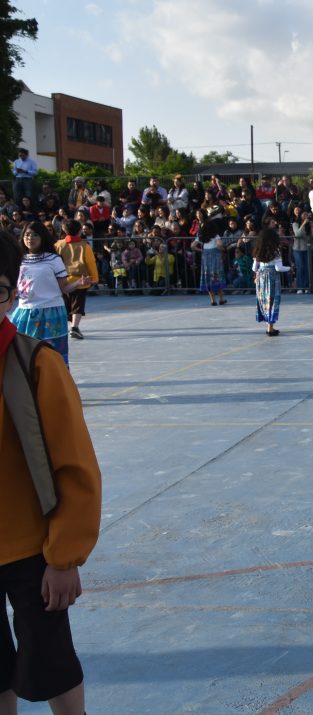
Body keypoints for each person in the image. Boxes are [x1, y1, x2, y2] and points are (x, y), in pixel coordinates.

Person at [0, 231, 102, 715]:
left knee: (53, 663)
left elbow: (75, 466)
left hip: (31, 550)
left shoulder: (36, 364)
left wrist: (63, 557)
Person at [10, 222, 85, 365]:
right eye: (27, 235)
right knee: (23, 353)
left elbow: (64, 287)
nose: (30, 238)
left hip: (51, 313)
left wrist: (77, 284)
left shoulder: (53, 259)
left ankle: (55, 383)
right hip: (24, 312)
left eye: (35, 235)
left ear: (43, 237)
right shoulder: (19, 259)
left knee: (52, 354)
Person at [53, 220, 98, 341]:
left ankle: (62, 328)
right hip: (80, 280)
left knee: (64, 304)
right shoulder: (84, 246)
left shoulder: (58, 244)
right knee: (78, 305)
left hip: (63, 280)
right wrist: (94, 278)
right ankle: (74, 327)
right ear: (79, 231)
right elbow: (90, 262)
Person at [252, 228, 290, 336]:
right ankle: (270, 328)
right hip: (272, 276)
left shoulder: (258, 250)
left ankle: (269, 326)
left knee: (264, 299)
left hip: (261, 276)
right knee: (273, 300)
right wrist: (289, 268)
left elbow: (254, 267)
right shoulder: (276, 251)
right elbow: (278, 268)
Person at [192, 219, 229, 306]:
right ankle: (221, 299)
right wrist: (223, 249)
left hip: (206, 258)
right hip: (215, 258)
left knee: (208, 278)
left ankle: (212, 300)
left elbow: (192, 245)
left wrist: (201, 250)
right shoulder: (215, 235)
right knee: (217, 277)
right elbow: (219, 245)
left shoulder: (201, 236)